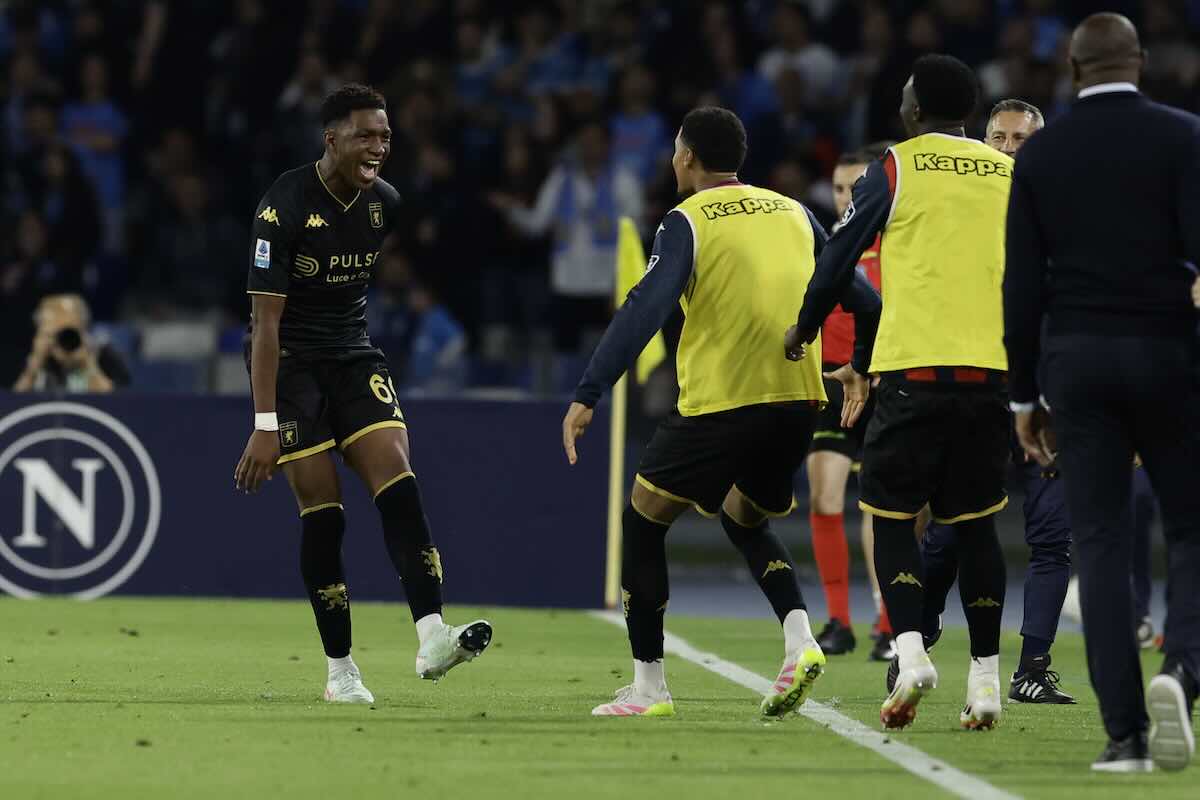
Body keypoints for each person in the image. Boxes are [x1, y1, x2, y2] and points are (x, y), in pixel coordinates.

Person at [561, 106, 881, 718]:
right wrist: (858, 365)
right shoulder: (795, 211)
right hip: (798, 403)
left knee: (642, 521)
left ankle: (649, 687)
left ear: (685, 157)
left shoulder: (687, 219)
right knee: (743, 516)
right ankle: (800, 640)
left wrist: (589, 390)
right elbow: (865, 299)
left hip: (722, 405)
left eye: (675, 151)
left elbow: (646, 307)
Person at [233, 84, 492, 705]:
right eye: (364, 136)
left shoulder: (385, 204)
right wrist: (264, 424)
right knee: (325, 514)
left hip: (352, 355)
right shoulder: (283, 206)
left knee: (398, 479)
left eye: (384, 137)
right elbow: (264, 324)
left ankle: (432, 636)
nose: (377, 147)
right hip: (291, 365)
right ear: (331, 139)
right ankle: (341, 671)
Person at [790, 54, 1013, 732]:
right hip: (989, 373)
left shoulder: (897, 166)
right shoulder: (1007, 171)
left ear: (914, 111)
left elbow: (839, 254)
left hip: (912, 373)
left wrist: (804, 326)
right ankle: (986, 679)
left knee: (890, 519)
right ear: (970, 112)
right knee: (976, 527)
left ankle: (911, 652)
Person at [1004, 13, 1200, 772]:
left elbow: (1022, 288)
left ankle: (1125, 736)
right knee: (1190, 531)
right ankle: (1182, 669)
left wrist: (1025, 398)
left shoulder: (1040, 155)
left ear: (1073, 68)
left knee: (1101, 542)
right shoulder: (1184, 137)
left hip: (1076, 365)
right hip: (1169, 356)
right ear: (1140, 62)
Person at [909, 98, 1077, 706]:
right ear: (982, 145)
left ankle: (1032, 667)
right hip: (979, 388)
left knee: (1052, 535)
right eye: (999, 138)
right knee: (953, 529)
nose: (1008, 149)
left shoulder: (1064, 210)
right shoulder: (957, 215)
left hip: (1046, 391)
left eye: (1020, 140)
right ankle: (920, 632)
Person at [806, 142, 894, 662]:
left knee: (881, 506)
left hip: (884, 384)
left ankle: (888, 624)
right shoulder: (825, 244)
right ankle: (838, 620)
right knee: (824, 497)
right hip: (836, 383)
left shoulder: (899, 243)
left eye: (854, 187)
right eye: (839, 188)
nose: (845, 198)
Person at [12, 293, 129, 393]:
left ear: (84, 329)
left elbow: (116, 404)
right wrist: (33, 368)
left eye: (68, 332)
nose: (62, 340)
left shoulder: (104, 355)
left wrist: (89, 365)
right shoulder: (31, 357)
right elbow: (15, 403)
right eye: (53, 334)